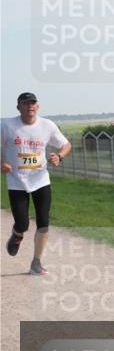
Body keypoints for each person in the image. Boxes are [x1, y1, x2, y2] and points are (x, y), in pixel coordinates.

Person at [2, 92, 72, 276]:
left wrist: (60, 156)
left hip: (41, 180)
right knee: (23, 223)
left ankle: (36, 262)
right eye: (25, 103)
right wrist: (1, 162)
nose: (30, 106)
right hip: (16, 181)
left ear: (37, 107)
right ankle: (17, 235)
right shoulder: (7, 126)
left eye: (33, 103)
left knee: (44, 222)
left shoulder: (47, 125)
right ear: (18, 107)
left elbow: (66, 145)